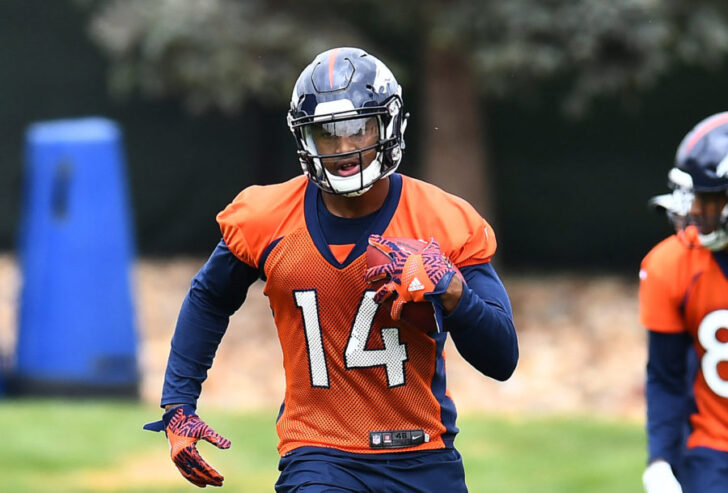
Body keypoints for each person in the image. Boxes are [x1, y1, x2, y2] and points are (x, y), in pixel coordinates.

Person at [144, 46, 519, 492]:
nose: (344, 148)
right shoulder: (267, 218)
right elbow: (208, 298)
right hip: (319, 454)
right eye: (327, 134)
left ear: (389, 125)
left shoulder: (442, 221)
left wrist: (451, 289)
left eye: (359, 130)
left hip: (423, 452)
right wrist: (179, 406)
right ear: (305, 139)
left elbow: (502, 359)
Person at [640, 112, 728, 493]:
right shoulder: (670, 264)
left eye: (707, 199)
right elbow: (665, 374)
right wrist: (659, 459)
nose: (694, 211)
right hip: (714, 448)